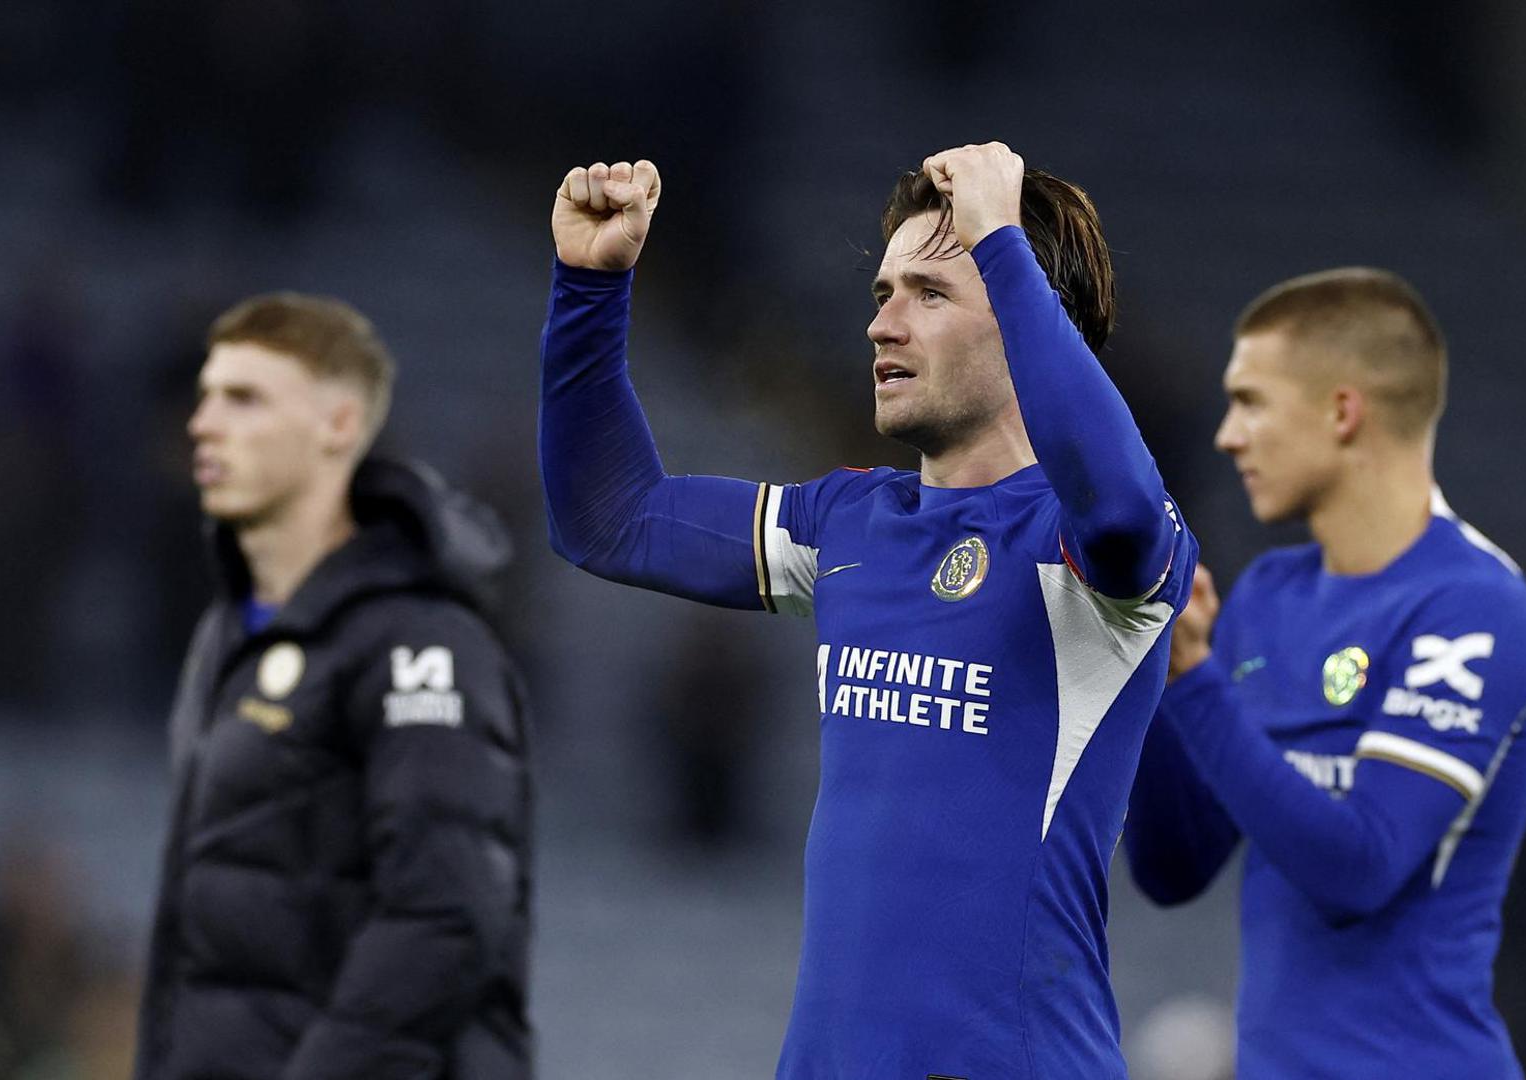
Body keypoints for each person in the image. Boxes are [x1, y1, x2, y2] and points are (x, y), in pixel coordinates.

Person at [539, 143, 1197, 1078]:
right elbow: (610, 519)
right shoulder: (851, 522)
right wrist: (589, 289)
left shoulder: (1090, 555)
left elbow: (1123, 506)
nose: (882, 324)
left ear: (1028, 315)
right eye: (884, 293)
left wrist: (1001, 236)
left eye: (929, 294)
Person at [1123, 268, 1526, 1079]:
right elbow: (1174, 867)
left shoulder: (1474, 609)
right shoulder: (1268, 596)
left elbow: (1359, 869)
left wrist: (1197, 681)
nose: (1228, 435)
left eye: (1251, 402)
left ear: (1342, 411)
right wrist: (1151, 665)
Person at [135, 293, 534, 1080]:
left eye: (244, 399)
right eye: (206, 396)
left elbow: (445, 917)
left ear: (340, 425)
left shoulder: (420, 641)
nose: (203, 423)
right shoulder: (228, 634)